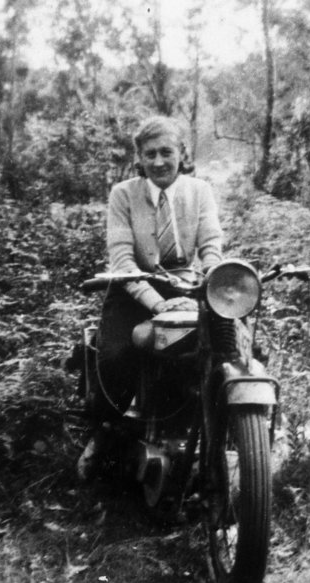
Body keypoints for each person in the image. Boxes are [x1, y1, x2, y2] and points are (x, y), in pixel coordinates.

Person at [78, 115, 223, 480]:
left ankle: (231, 434)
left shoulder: (199, 191)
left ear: (181, 153)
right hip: (132, 289)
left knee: (226, 344)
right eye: (149, 154)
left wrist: (207, 283)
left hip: (185, 288)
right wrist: (158, 304)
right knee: (115, 355)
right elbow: (123, 260)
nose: (158, 162)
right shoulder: (123, 195)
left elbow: (211, 246)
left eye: (166, 152)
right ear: (138, 158)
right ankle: (104, 433)